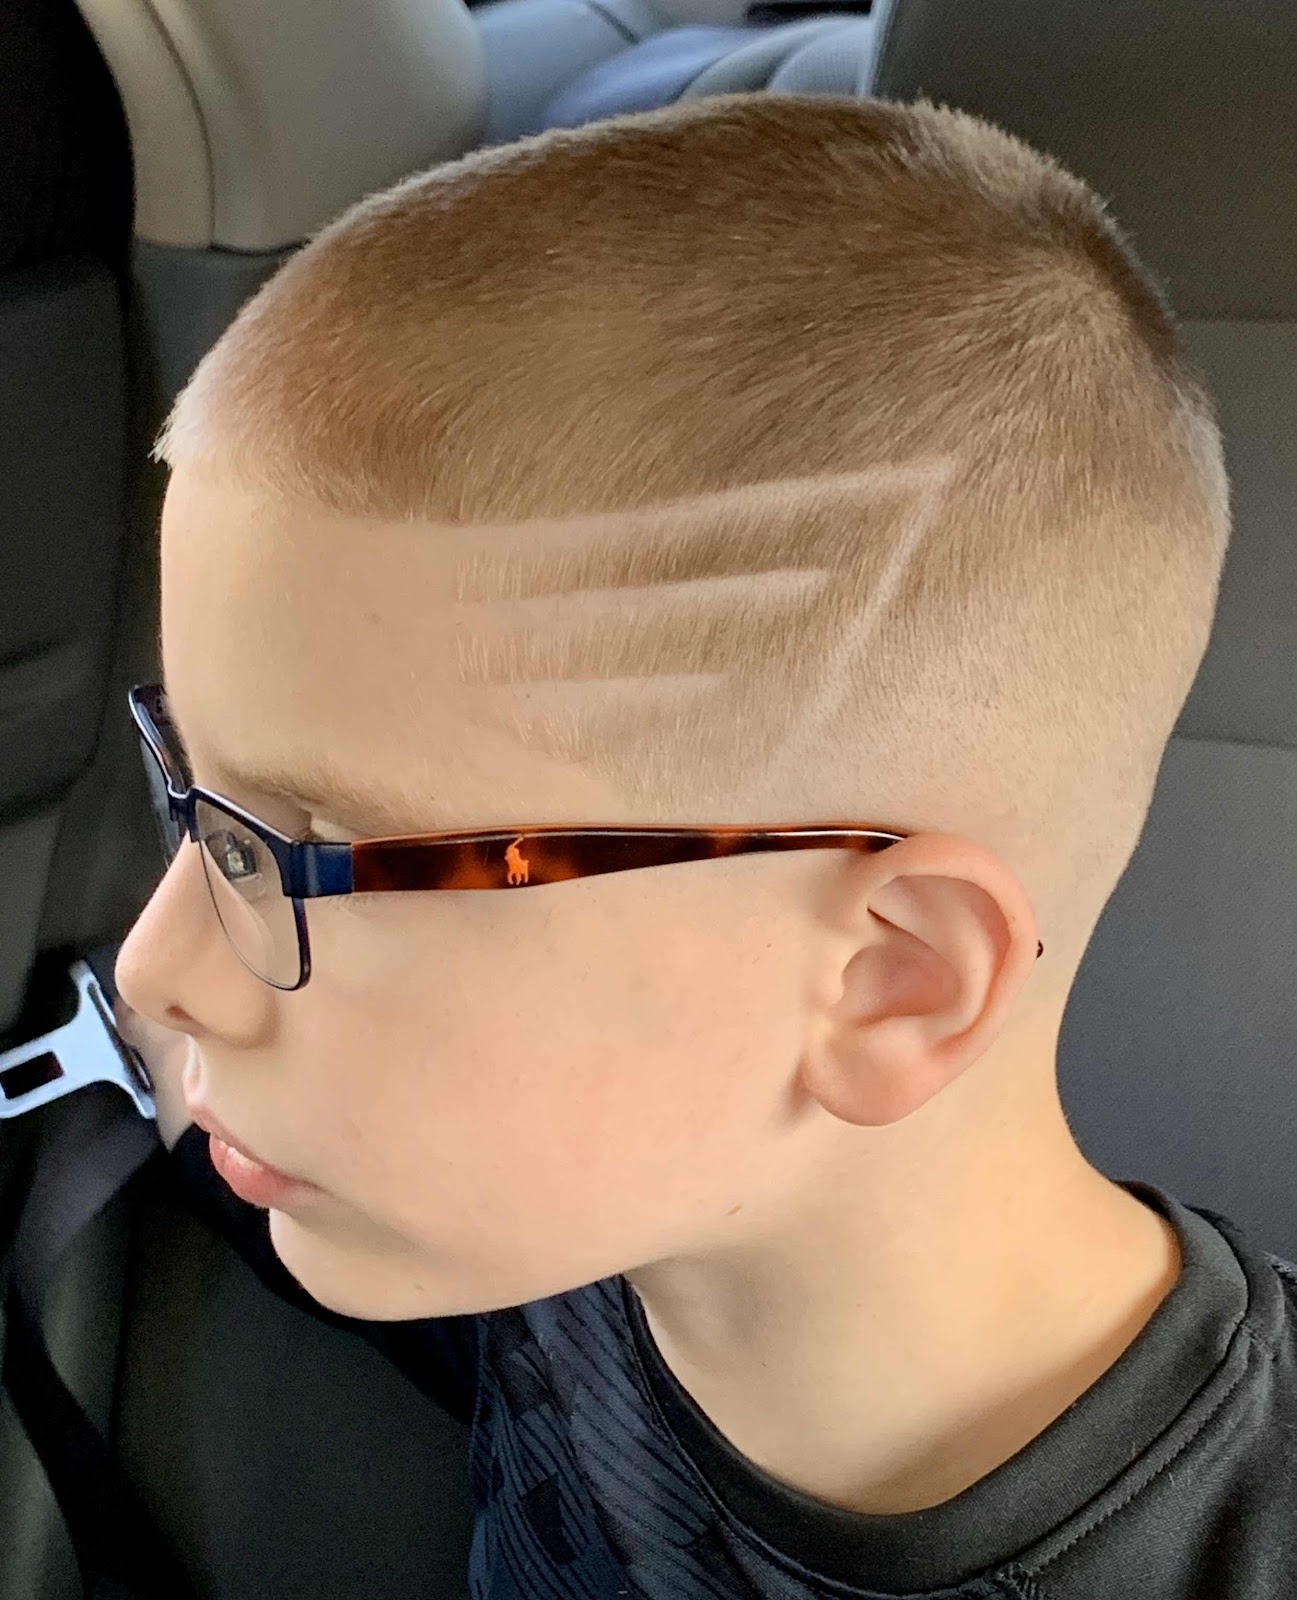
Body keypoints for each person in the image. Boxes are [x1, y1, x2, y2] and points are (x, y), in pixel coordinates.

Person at [112, 93, 1295, 1598]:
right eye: (203, 805)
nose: (158, 970)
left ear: (889, 985)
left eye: (320, 854)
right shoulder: (575, 1215)